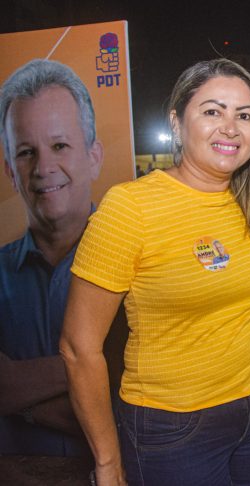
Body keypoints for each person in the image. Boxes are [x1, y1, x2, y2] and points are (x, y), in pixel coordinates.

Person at [60, 59, 250, 486]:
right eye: (212, 111)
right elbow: (78, 347)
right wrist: (108, 463)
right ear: (177, 122)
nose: (230, 127)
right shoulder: (130, 207)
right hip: (175, 429)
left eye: (244, 115)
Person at [0, 59, 103, 456]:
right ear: (10, 171)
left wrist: (18, 398)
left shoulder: (142, 267)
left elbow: (139, 415)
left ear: (94, 156)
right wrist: (94, 364)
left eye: (60, 145)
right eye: (26, 152)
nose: (43, 168)